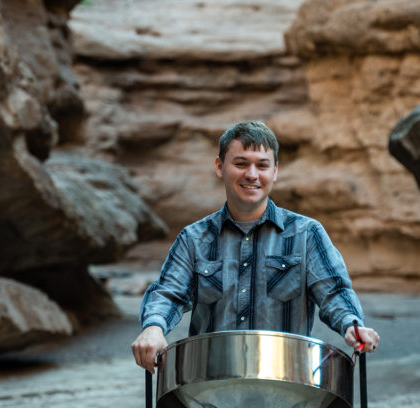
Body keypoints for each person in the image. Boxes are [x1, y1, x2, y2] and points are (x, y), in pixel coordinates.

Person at [131, 121, 380, 373]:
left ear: (275, 172)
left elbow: (333, 292)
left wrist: (352, 324)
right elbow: (167, 293)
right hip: (211, 382)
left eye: (262, 165)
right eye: (241, 164)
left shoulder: (307, 234)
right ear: (220, 167)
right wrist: (153, 327)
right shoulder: (193, 238)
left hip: (285, 380)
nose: (252, 174)